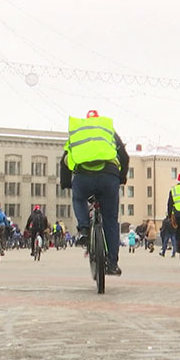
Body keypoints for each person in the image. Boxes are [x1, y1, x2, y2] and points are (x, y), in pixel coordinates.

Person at [60, 110, 129, 276]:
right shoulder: (108, 131)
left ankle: (83, 229)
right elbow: (125, 157)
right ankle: (113, 263)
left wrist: (66, 183)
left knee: (78, 198)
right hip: (108, 177)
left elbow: (64, 161)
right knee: (110, 220)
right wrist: (121, 178)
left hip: (83, 177)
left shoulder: (78, 133)